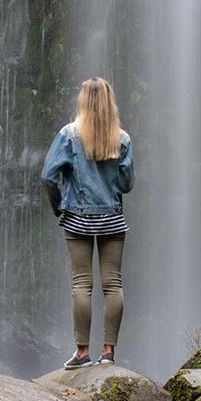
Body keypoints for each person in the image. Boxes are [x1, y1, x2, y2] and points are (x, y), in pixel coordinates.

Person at [41, 76, 135, 369]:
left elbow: (48, 176)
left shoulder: (68, 135)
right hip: (111, 218)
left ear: (82, 101)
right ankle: (108, 352)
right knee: (113, 285)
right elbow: (127, 183)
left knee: (81, 284)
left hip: (77, 218)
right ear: (110, 102)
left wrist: (60, 206)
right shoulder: (121, 138)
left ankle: (82, 353)